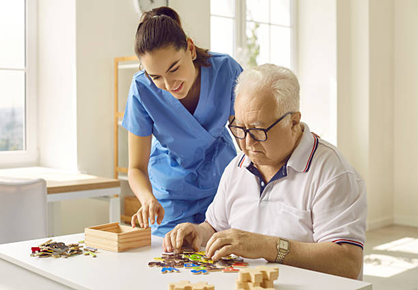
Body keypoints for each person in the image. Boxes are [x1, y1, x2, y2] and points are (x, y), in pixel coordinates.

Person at [163, 64, 367, 279]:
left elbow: (348, 263)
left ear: (293, 122)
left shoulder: (332, 173)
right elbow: (215, 227)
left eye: (259, 130)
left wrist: (267, 246)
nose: (247, 143)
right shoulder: (238, 166)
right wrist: (197, 233)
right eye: (239, 129)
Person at [122, 6, 243, 236]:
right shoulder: (141, 88)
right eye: (156, 77)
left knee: (224, 259)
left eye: (174, 68)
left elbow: (249, 137)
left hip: (222, 188)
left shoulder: (225, 70)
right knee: (169, 258)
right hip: (170, 198)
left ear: (189, 48)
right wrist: (148, 200)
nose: (169, 85)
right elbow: (136, 168)